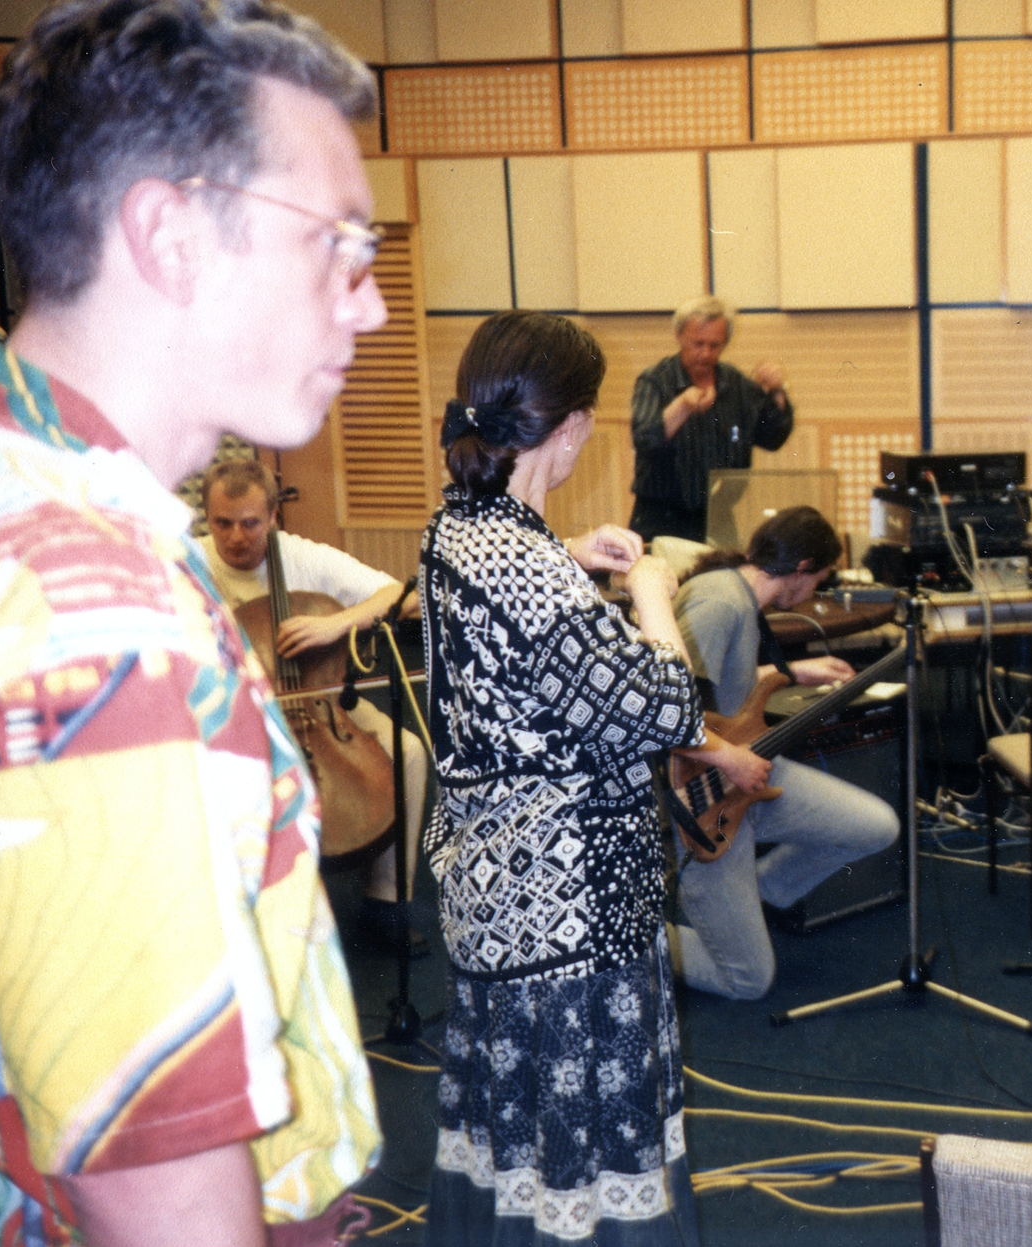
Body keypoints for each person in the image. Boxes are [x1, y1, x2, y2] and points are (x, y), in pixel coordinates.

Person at [0, 1, 386, 1243]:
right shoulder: (88, 615)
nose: (371, 306)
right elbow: (162, 1188)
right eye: (338, 243)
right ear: (170, 234)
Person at [419, 310, 764, 1244]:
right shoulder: (530, 570)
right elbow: (667, 708)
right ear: (570, 428)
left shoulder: (457, 528)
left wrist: (570, 553)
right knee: (588, 1150)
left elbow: (508, 604)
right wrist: (652, 596)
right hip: (571, 912)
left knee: (518, 1138)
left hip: (496, 900)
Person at [669, 506, 901, 1001]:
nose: (814, 591)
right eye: (819, 578)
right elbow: (667, 709)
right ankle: (633, 942)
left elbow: (714, 687)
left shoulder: (739, 595)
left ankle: (755, 894)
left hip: (746, 774)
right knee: (747, 981)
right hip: (702, 803)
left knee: (876, 827)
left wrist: (793, 672)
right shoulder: (720, 601)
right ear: (802, 568)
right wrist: (732, 760)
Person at [199, 457, 429, 957]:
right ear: (207, 518)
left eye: (250, 523)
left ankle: (387, 899)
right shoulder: (188, 564)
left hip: (316, 700)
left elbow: (401, 597)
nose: (235, 538)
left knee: (408, 752)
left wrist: (337, 623)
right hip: (233, 711)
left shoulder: (302, 557)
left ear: (273, 516)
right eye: (222, 523)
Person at [627, 295, 794, 543]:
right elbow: (644, 439)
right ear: (680, 336)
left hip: (718, 517)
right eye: (698, 343)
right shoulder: (655, 381)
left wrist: (777, 392)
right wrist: (682, 406)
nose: (705, 353)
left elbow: (773, 438)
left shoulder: (735, 384)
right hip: (660, 517)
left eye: (715, 346)